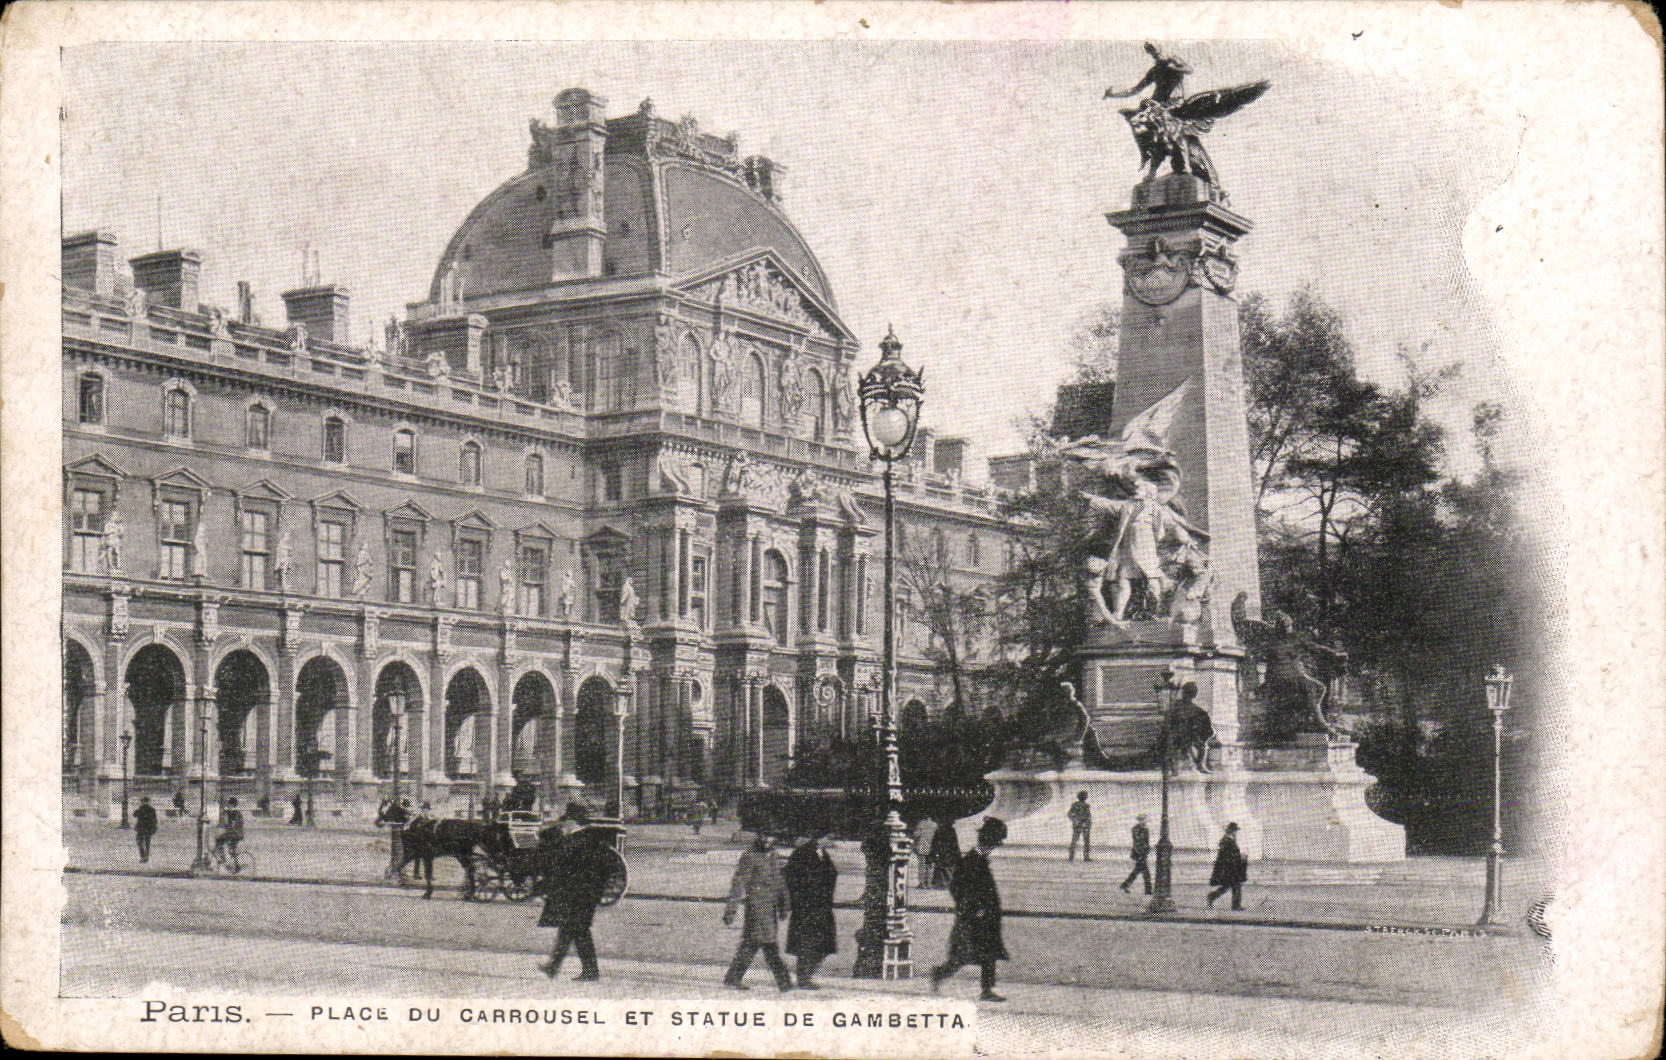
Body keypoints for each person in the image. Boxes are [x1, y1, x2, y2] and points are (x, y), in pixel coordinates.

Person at [930, 817, 1010, 1002]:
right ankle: (941, 973)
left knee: (986, 953)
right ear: (988, 842)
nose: (994, 848)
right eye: (994, 844)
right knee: (966, 954)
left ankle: (986, 989)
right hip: (974, 919)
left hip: (984, 918)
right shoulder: (971, 861)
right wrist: (975, 909)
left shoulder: (978, 859)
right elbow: (957, 887)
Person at [537, 810, 609, 982]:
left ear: (573, 822)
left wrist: (546, 886)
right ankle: (553, 967)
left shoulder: (572, 842)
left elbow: (559, 868)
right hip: (586, 894)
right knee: (569, 930)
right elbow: (606, 868)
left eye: (565, 823)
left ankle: (590, 971)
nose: (562, 826)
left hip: (574, 894)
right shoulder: (596, 841)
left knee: (578, 931)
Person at [722, 831, 793, 992]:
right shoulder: (750, 856)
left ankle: (733, 977)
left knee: (752, 943)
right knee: (768, 944)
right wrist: (731, 909)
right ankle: (784, 982)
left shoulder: (773, 855)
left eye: (770, 836)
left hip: (770, 907)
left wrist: (784, 905)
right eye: (763, 836)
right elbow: (738, 883)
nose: (767, 840)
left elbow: (779, 882)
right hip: (757, 907)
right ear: (758, 837)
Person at [783, 831, 837, 989]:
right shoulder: (802, 853)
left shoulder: (821, 852)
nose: (831, 841)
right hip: (807, 907)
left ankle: (805, 976)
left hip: (822, 906)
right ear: (820, 837)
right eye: (829, 837)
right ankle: (803, 978)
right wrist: (799, 900)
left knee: (823, 944)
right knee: (807, 943)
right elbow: (790, 876)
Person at [1207, 822, 1249, 910]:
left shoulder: (1228, 840)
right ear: (1231, 831)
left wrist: (1240, 858)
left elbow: (1231, 854)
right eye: (1235, 831)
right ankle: (1235, 905)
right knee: (1235, 885)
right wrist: (1239, 858)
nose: (1235, 833)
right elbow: (1227, 856)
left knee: (1228, 886)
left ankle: (1212, 896)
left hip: (1231, 868)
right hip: (1228, 868)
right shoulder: (1226, 841)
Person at [1121, 814, 1152, 894]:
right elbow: (1138, 841)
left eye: (1145, 820)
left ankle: (1125, 885)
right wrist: (1141, 852)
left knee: (1137, 871)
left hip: (1142, 853)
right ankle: (1148, 890)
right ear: (1140, 820)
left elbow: (1145, 842)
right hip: (1139, 853)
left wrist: (1147, 850)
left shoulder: (1144, 829)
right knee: (1145, 873)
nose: (1145, 821)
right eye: (1144, 820)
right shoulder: (1137, 829)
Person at [928, 818, 961, 889]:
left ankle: (940, 884)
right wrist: (957, 853)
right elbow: (954, 843)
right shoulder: (952, 831)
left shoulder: (939, 831)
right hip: (949, 851)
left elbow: (935, 842)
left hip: (941, 851)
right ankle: (948, 883)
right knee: (948, 867)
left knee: (940, 867)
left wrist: (934, 852)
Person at [213, 797, 245, 862]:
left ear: (233, 805)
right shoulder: (230, 812)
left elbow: (233, 825)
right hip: (234, 833)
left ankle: (224, 859)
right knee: (231, 850)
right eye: (229, 805)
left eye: (230, 805)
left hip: (236, 834)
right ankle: (233, 864)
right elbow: (225, 821)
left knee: (220, 841)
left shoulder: (236, 814)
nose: (229, 806)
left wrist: (226, 827)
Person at [1067, 791, 1093, 862]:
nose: (1085, 797)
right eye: (1084, 796)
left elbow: (1088, 816)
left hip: (1085, 825)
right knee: (1075, 841)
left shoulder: (1086, 805)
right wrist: (1075, 820)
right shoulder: (1076, 805)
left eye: (1085, 796)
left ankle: (1086, 857)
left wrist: (1088, 823)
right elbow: (1069, 814)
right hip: (1078, 825)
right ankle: (1071, 857)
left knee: (1086, 841)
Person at [133, 796, 158, 864]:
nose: (143, 803)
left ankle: (144, 856)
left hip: (144, 828)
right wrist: (154, 828)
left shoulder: (145, 809)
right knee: (144, 843)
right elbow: (134, 814)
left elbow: (134, 814)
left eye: (143, 801)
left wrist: (154, 828)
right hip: (145, 828)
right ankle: (145, 857)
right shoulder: (149, 809)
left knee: (142, 843)